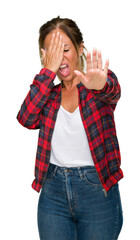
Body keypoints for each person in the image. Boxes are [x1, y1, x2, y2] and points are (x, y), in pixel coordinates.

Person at [17, 16, 123, 240]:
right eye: (53, 52)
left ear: (79, 48)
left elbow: (113, 90)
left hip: (97, 189)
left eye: (65, 49)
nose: (60, 58)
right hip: (53, 191)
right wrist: (47, 73)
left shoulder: (97, 82)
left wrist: (100, 85)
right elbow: (26, 118)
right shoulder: (49, 96)